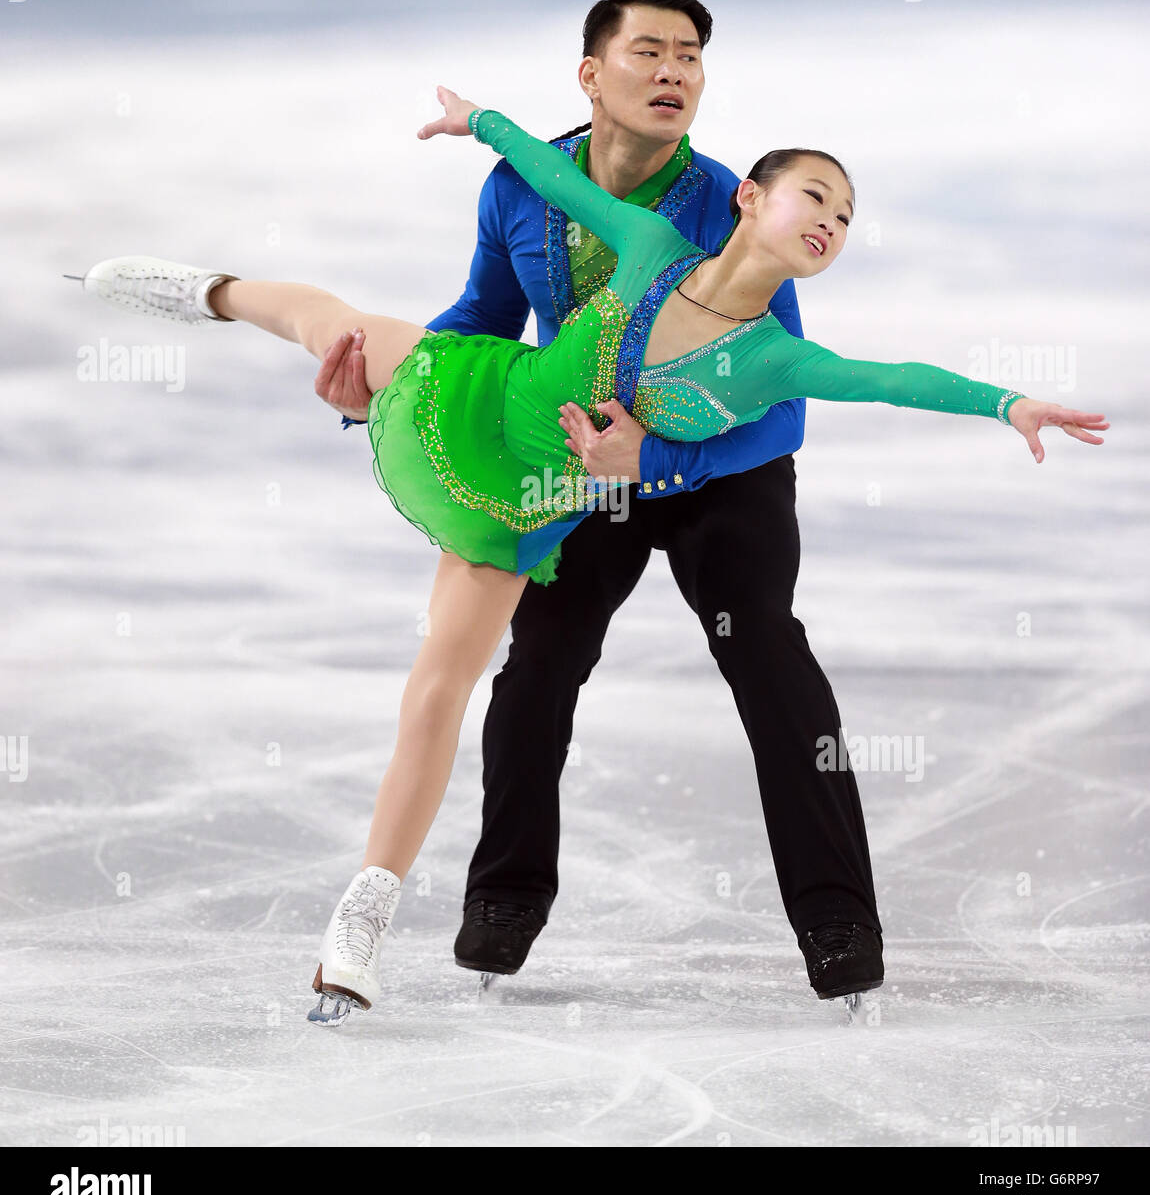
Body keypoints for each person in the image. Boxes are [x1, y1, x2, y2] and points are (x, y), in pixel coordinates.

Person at [73, 89, 1107, 1026]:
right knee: (324, 325)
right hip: (471, 392)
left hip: (544, 499)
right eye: (815, 198)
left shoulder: (776, 359)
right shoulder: (653, 241)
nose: (830, 223)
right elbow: (554, 176)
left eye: (844, 218)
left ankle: (361, 920)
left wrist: (1007, 401)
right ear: (750, 197)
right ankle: (203, 288)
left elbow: (890, 378)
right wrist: (481, 123)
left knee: (444, 689)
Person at [316, 0, 887, 1008]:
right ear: (591, 74)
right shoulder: (517, 189)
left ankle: (839, 918)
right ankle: (506, 898)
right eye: (650, 53)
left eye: (690, 58)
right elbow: (480, 324)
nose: (674, 73)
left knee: (763, 645)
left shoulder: (731, 204)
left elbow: (787, 401)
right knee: (538, 659)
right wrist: (383, 389)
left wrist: (655, 465)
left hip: (720, 470)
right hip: (577, 470)